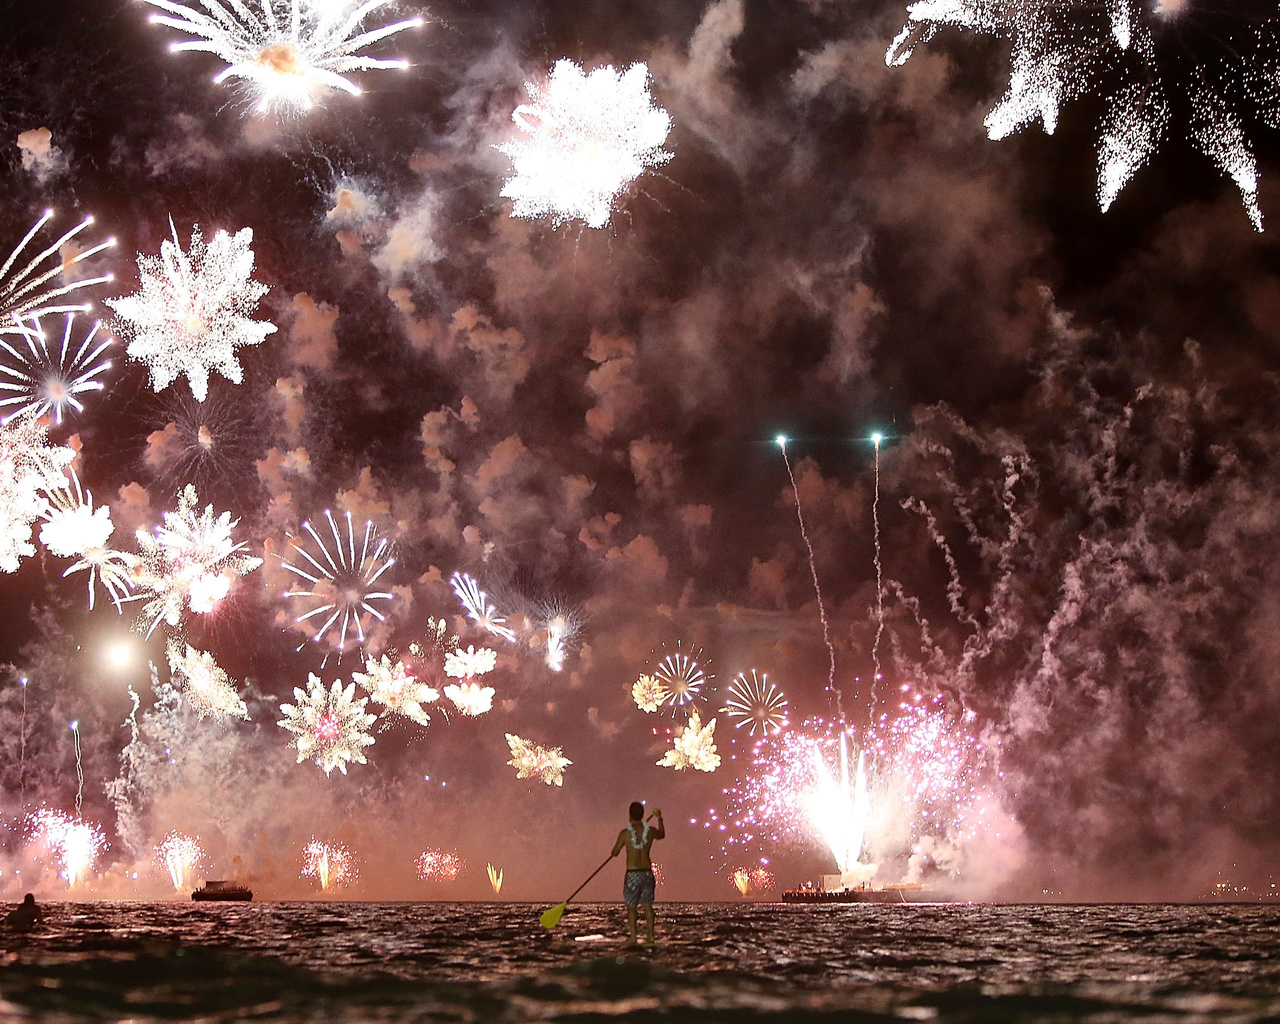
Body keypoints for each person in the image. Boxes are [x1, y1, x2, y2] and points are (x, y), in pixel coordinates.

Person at [610, 801, 664, 944]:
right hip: (647, 873)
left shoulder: (625, 834)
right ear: (642, 815)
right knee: (647, 905)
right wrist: (659, 818)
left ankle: (633, 938)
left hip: (633, 874)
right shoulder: (650, 831)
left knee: (632, 907)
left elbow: (615, 852)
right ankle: (650, 937)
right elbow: (661, 835)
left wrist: (614, 852)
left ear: (630, 816)